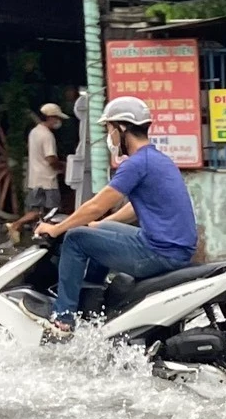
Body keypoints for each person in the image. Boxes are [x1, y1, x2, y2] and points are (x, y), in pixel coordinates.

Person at [34, 95, 199, 339]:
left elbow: (97, 205)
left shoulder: (136, 164)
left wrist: (57, 229)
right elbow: (134, 207)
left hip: (159, 253)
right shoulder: (157, 159)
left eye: (109, 129)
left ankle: (63, 319)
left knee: (76, 239)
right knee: (96, 232)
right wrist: (103, 224)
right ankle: (92, 303)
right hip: (173, 248)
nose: (109, 137)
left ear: (121, 128)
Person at [16, 99, 66, 241]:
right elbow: (50, 159)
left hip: (34, 179)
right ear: (50, 118)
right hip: (48, 181)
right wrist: (62, 166)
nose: (58, 121)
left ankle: (29, 232)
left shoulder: (34, 132)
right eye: (57, 118)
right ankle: (44, 237)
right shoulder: (47, 135)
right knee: (52, 212)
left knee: (35, 212)